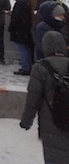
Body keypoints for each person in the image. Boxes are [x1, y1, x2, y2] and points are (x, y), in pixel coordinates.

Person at [20, 31, 69, 163]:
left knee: (54, 156)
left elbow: (32, 99)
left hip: (51, 121)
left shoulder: (40, 68)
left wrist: (26, 121)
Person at [9, 0, 37, 75]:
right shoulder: (26, 1)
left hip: (20, 30)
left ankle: (25, 67)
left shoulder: (20, 3)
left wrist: (11, 27)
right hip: (25, 29)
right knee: (26, 48)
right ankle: (28, 66)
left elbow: (17, 18)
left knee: (22, 49)